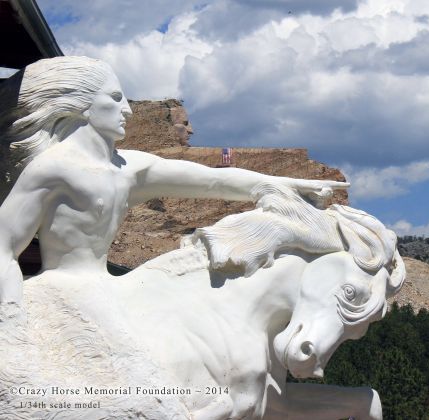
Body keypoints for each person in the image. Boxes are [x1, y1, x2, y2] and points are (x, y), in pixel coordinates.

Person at [0, 56, 347, 306]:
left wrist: (283, 183)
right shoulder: (51, 169)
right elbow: (3, 248)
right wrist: (13, 314)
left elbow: (215, 180)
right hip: (65, 298)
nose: (129, 111)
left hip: (108, 290)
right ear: (80, 106)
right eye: (116, 98)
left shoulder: (129, 167)